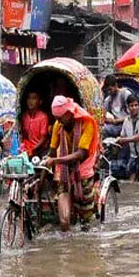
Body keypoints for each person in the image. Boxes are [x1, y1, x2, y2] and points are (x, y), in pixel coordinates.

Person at [43, 96, 100, 232]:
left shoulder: (87, 124)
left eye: (60, 117)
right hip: (64, 170)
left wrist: (56, 161)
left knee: (86, 219)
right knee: (64, 222)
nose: (58, 121)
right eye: (56, 118)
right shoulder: (59, 125)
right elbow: (51, 151)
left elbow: (81, 154)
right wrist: (42, 175)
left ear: (69, 113)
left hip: (83, 166)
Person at [20, 91, 50, 157]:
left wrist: (32, 149)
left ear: (40, 102)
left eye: (34, 98)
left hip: (40, 149)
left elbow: (43, 139)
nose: (30, 101)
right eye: (29, 98)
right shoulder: (24, 116)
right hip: (27, 147)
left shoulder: (43, 117)